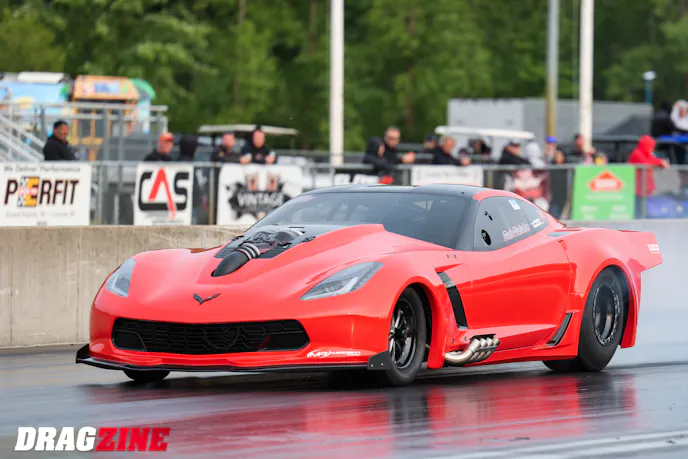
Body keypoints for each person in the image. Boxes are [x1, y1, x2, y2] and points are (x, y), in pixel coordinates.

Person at [628, 135, 670, 218]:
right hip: (637, 187)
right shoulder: (636, 153)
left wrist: (661, 161)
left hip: (644, 187)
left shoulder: (646, 154)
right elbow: (646, 162)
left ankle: (643, 218)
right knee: (638, 208)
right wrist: (660, 162)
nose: (651, 149)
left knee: (645, 208)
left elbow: (652, 159)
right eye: (650, 146)